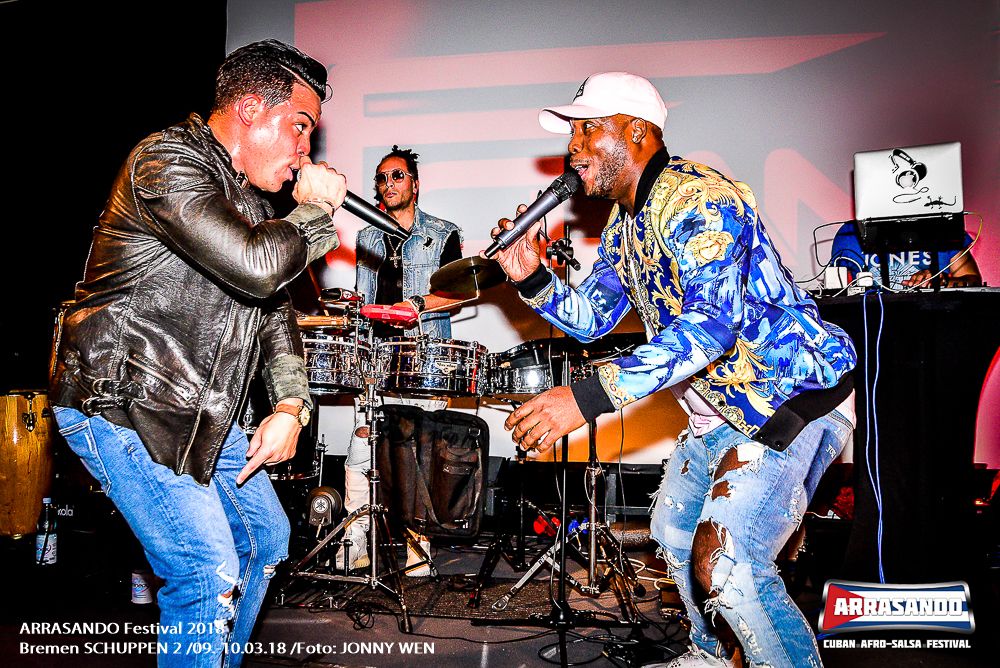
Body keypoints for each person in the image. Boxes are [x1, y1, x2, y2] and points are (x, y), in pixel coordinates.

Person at [487, 72, 858, 668]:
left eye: (588, 129)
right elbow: (595, 319)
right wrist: (532, 277)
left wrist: (584, 398)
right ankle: (710, 656)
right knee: (675, 535)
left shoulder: (700, 201)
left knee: (728, 564)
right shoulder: (624, 225)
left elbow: (712, 327)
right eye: (572, 134)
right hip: (722, 409)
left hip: (789, 397)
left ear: (637, 132)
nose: (573, 147)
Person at [48, 40, 347, 667]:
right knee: (205, 568)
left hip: (198, 409)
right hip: (123, 399)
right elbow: (257, 266)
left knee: (265, 540)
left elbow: (274, 314)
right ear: (248, 108)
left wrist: (290, 404)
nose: (305, 150)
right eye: (300, 127)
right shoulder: (166, 162)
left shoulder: (249, 203)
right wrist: (317, 210)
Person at [337, 145, 463, 575]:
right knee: (361, 450)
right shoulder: (367, 237)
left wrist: (416, 305)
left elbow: (457, 294)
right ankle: (355, 541)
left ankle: (417, 546)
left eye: (396, 176)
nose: (388, 183)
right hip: (374, 360)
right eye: (381, 178)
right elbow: (363, 297)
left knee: (419, 456)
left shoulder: (443, 233)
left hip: (424, 358)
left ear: (415, 184)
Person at [829, 221, 981, 289]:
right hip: (871, 328)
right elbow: (836, 291)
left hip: (934, 325)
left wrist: (942, 281)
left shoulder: (944, 227)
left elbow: (973, 281)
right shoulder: (851, 233)